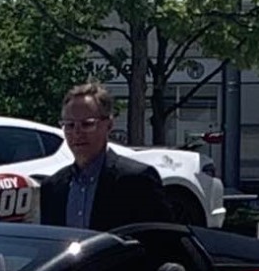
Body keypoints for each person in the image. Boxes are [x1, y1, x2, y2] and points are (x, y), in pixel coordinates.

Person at [39, 81, 176, 231]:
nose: (77, 133)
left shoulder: (138, 180)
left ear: (109, 126)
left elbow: (164, 241)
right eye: (70, 125)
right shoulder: (52, 187)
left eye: (87, 124)